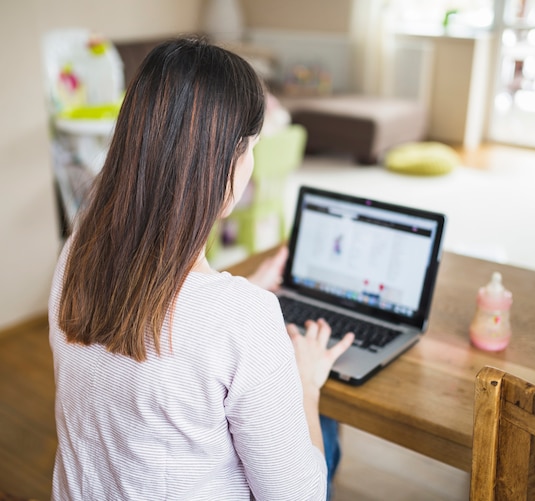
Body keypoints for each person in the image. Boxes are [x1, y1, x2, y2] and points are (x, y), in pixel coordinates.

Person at [49, 36, 354, 500]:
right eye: (251, 146)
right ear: (225, 163)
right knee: (322, 432)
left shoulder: (76, 255)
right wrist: (306, 385)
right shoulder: (242, 318)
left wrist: (243, 290)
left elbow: (172, 328)